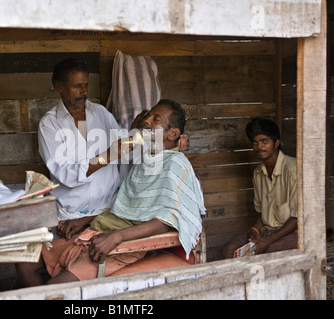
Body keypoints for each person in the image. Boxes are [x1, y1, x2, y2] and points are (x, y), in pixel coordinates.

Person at [16, 99, 206, 287]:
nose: (146, 121)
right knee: (25, 262)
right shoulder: (146, 160)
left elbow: (166, 220)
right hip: (100, 229)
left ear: (173, 133)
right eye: (148, 116)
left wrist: (116, 237)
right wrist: (86, 220)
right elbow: (129, 210)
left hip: (121, 245)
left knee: (53, 289)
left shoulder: (174, 164)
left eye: (156, 119)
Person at [38, 58, 134, 235]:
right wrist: (107, 156)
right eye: (77, 86)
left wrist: (137, 133)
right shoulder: (49, 125)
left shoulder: (101, 113)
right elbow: (64, 173)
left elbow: (125, 147)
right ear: (59, 86)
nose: (84, 92)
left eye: (86, 85)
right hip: (69, 216)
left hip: (107, 211)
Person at [221, 118, 298, 259]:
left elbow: (296, 218)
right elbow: (262, 213)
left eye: (264, 141)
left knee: (266, 254)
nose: (259, 147)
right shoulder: (258, 173)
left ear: (277, 143)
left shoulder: (293, 169)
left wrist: (268, 240)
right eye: (255, 143)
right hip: (266, 231)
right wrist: (254, 229)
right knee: (228, 250)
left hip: (292, 234)